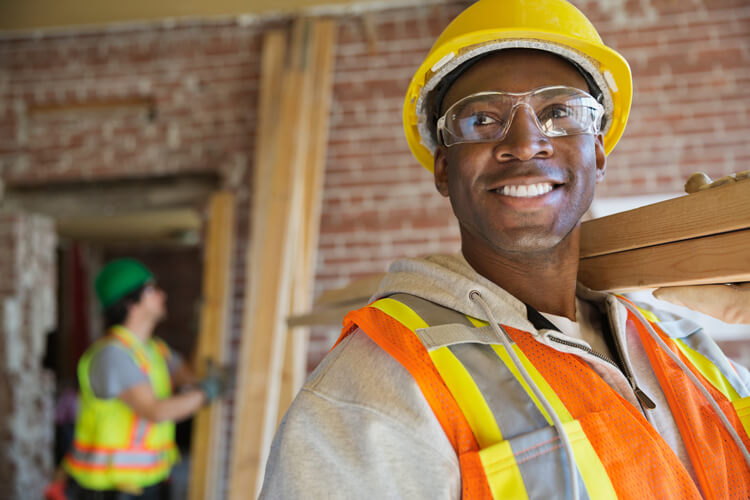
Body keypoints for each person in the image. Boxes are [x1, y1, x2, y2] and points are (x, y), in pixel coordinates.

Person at [260, 0, 750, 498]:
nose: (525, 142)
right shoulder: (375, 390)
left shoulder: (687, 348)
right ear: (444, 170)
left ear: (598, 153)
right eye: (481, 120)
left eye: (559, 113)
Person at [63, 258, 227, 500]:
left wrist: (203, 329)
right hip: (111, 489)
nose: (162, 295)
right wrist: (206, 394)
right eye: (152, 289)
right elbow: (155, 411)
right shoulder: (113, 355)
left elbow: (189, 378)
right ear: (131, 302)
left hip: (147, 483)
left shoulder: (154, 349)